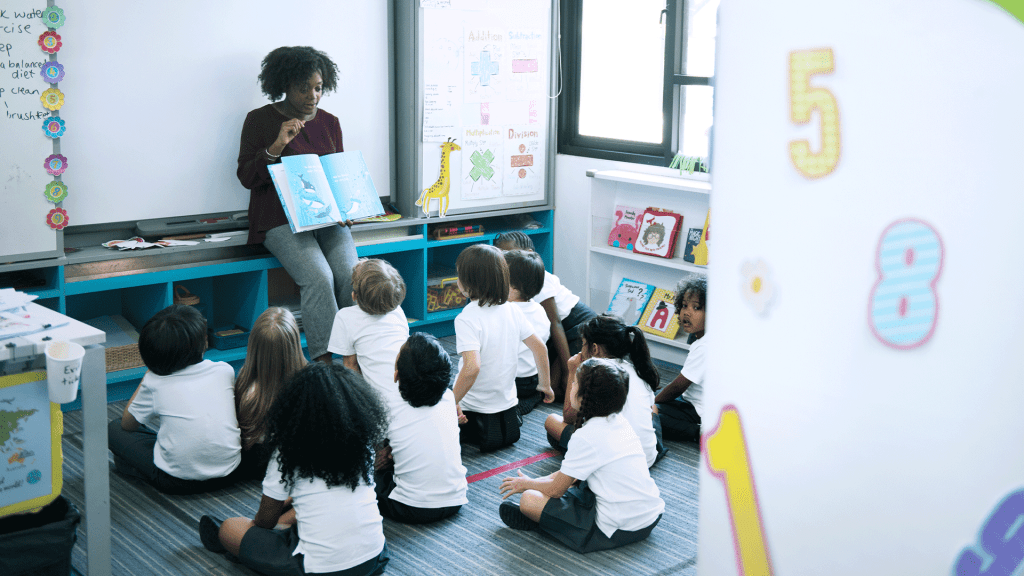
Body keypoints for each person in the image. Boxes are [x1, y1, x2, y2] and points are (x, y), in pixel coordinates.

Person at [199, 363, 390, 576]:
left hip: (318, 570)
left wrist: (261, 527)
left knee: (229, 528)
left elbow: (264, 521)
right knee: (310, 507)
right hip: (375, 559)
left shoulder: (287, 452)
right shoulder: (362, 444)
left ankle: (249, 548)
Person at [237, 46, 358, 364]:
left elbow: (337, 174)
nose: (313, 96)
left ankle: (359, 356)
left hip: (327, 219)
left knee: (350, 275)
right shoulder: (260, 120)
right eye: (304, 88)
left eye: (318, 88)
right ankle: (326, 365)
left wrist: (346, 208)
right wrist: (277, 144)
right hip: (279, 221)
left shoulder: (330, 123)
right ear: (284, 86)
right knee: (320, 278)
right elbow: (247, 177)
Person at [497, 358, 664, 553]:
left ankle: (547, 523)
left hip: (618, 528)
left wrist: (526, 484)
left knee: (529, 499)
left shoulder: (586, 436)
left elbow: (556, 489)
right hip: (650, 516)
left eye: (575, 382)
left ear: (585, 397)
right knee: (572, 484)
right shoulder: (619, 421)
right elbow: (570, 474)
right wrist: (537, 480)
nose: (572, 385)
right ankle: (550, 518)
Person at [108, 305, 242, 494]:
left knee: (114, 429)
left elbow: (128, 424)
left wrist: (150, 374)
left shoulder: (155, 381)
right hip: (230, 473)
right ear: (202, 343)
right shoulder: (224, 370)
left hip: (175, 482)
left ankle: (136, 470)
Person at [453, 244, 553, 452]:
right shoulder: (513, 310)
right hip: (507, 410)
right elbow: (540, 348)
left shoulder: (467, 318)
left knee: (443, 386)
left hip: (474, 411)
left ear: (466, 283)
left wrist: (450, 402)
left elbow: (472, 368)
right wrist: (545, 385)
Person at [544, 314, 664, 467]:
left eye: (583, 344)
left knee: (551, 422)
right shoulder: (637, 369)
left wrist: (572, 370)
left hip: (615, 460)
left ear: (594, 348)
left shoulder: (594, 371)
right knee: (652, 408)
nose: (581, 350)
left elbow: (569, 417)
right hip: (647, 456)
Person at [493, 232, 597, 403]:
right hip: (557, 331)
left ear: (528, 253)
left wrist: (566, 371)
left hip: (579, 327)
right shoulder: (513, 278)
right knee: (544, 380)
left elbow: (556, 324)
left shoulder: (537, 278)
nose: (505, 260)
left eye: (510, 254)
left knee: (560, 387)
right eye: (501, 255)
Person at [374, 333, 467, 524]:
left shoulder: (388, 403)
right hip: (456, 500)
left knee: (367, 476)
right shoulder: (449, 397)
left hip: (411, 507)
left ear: (396, 376)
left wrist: (385, 452)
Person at [234, 307, 308, 478]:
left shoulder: (245, 385)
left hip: (256, 463)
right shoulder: (308, 385)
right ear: (294, 345)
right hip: (292, 462)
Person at [327, 259, 409, 407]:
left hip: (377, 403)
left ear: (354, 296)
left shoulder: (345, 316)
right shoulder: (398, 312)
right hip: (412, 393)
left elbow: (350, 367)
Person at [654, 275, 707, 442]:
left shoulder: (705, 347)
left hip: (700, 411)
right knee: (654, 400)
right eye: (684, 306)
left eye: (696, 308)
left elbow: (677, 387)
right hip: (692, 401)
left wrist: (651, 401)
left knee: (647, 413)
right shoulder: (707, 339)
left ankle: (698, 433)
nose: (687, 312)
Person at [503, 249, 551, 416]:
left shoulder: (506, 312)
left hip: (511, 382)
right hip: (533, 380)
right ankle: (530, 397)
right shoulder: (539, 309)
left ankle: (515, 405)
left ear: (512, 289)